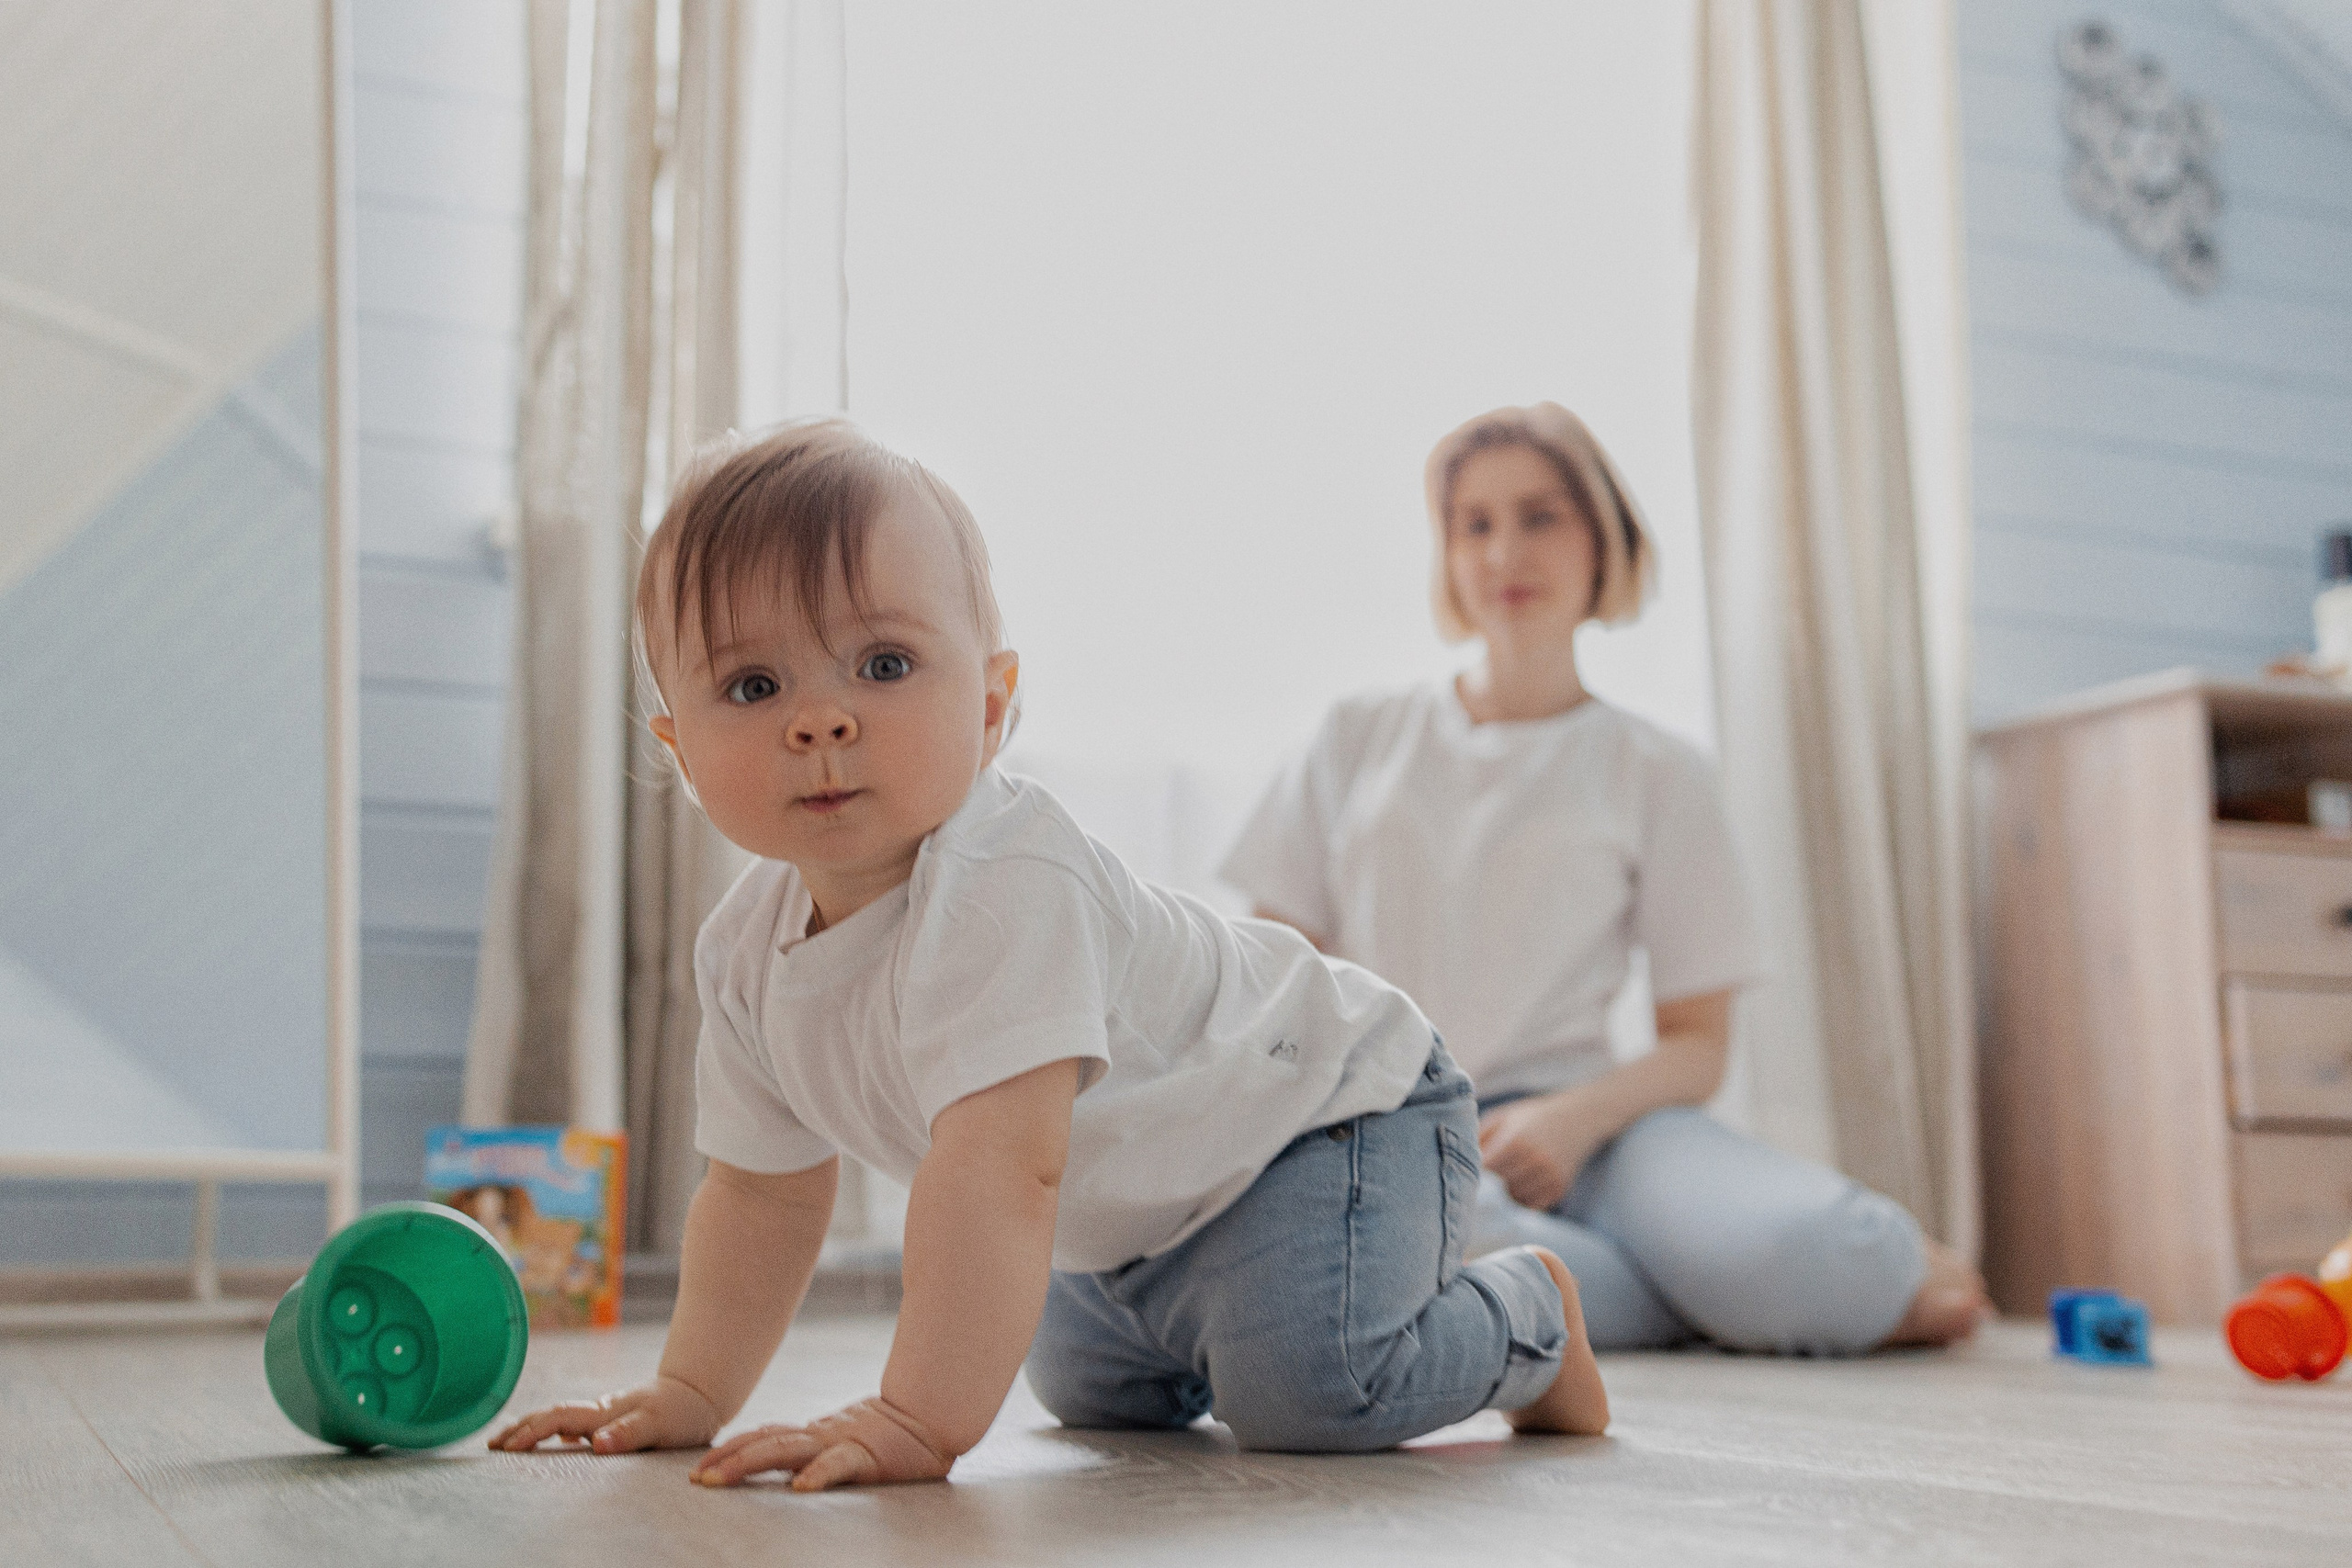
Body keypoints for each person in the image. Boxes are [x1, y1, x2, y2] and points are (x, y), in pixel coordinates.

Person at [489, 421, 1608, 1491]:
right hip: (1148, 1202)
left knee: (1313, 1394)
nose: (819, 722)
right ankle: (1207, 1315)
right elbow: (759, 1196)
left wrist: (915, 1420)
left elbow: (998, 1174)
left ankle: (1529, 1314)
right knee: (1087, 1388)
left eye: (883, 664)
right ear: (677, 746)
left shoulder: (1006, 885)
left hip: (1329, 1111)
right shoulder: (744, 952)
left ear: (990, 705)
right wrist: (691, 1388)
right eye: (752, 686)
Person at [1221, 402, 1987, 1356]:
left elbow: (1697, 1046)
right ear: (1448, 554)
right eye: (1476, 524)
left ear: (1603, 541)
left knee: (1833, 1256)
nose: (1505, 553)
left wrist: (1570, 1122)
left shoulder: (1656, 769)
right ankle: (1702, 1302)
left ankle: (1786, 1278)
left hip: (1598, 1131)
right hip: (1395, 1124)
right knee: (1414, 1249)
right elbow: (1273, 982)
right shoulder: (1355, 737)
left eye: (1540, 517)